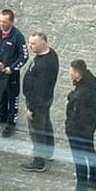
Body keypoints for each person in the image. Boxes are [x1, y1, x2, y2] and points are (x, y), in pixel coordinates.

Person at [63, 59, 96, 191]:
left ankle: (81, 189)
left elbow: (76, 113)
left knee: (79, 158)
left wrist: (69, 128)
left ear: (77, 73)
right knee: (90, 151)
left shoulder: (81, 94)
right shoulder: (93, 83)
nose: (69, 73)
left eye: (71, 71)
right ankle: (94, 179)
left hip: (78, 130)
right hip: (89, 126)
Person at [0, 9, 28, 138]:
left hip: (11, 74)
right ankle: (2, 115)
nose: (2, 24)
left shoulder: (18, 36)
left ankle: (11, 123)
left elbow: (24, 56)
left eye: (5, 22)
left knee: (12, 98)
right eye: (0, 21)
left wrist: (12, 68)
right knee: (1, 94)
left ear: (12, 22)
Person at [20, 32, 59, 172]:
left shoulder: (45, 65)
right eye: (30, 43)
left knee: (37, 131)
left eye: (33, 43)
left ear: (43, 43)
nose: (30, 46)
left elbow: (40, 89)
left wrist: (31, 108)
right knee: (45, 124)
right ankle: (48, 151)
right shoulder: (50, 55)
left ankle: (39, 161)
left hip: (38, 103)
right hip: (45, 100)